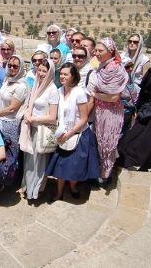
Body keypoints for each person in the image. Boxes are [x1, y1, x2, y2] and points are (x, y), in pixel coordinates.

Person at [46, 63, 100, 201]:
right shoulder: (59, 91)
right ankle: (59, 193)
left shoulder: (79, 92)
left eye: (66, 74)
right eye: (61, 74)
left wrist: (69, 134)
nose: (62, 77)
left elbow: (83, 119)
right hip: (62, 134)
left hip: (78, 134)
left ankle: (73, 186)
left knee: (75, 166)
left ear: (73, 76)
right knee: (61, 166)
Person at [86, 38, 127, 186]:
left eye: (100, 51)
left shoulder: (114, 68)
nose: (96, 53)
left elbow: (114, 96)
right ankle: (101, 171)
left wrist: (94, 94)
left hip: (110, 112)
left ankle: (105, 175)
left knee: (107, 143)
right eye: (95, 50)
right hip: (100, 110)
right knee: (100, 140)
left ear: (110, 51)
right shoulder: (103, 66)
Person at [18, 59, 59, 201]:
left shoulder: (52, 90)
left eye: (44, 71)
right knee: (29, 161)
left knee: (38, 163)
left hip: (41, 130)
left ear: (50, 73)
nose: (41, 73)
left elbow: (53, 117)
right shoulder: (37, 85)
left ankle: (35, 190)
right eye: (39, 70)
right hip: (31, 127)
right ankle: (26, 186)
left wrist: (33, 119)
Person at [0, 55, 29, 152]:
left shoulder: (21, 86)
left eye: (15, 66)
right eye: (9, 65)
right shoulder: (8, 80)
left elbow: (12, 108)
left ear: (21, 68)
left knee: (8, 153)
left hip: (11, 123)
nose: (12, 68)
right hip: (1, 120)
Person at [0, 39, 15, 107]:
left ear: (12, 50)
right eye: (3, 49)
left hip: (7, 105)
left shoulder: (16, 66)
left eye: (8, 49)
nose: (6, 51)